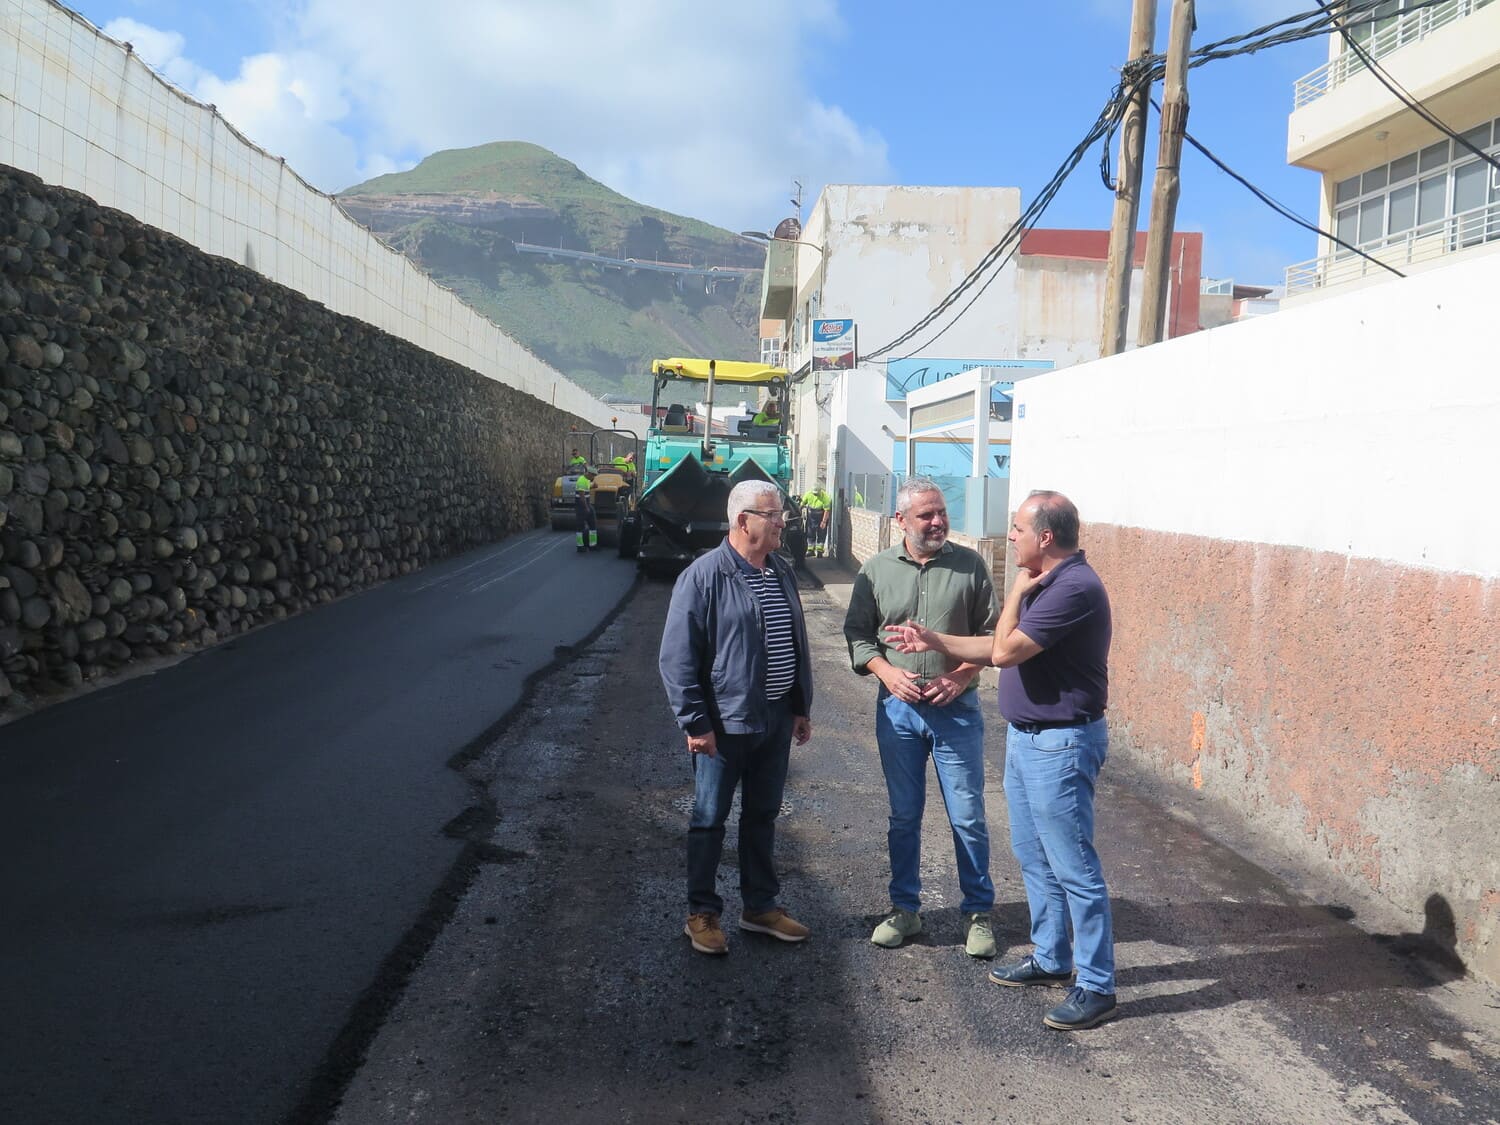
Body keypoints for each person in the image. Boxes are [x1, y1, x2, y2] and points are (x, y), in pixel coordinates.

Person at [885, 490, 1116, 1030]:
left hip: (1061, 743)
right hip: (1028, 738)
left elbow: (1004, 650)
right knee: (1033, 856)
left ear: (1046, 537)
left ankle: (1097, 983)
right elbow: (999, 641)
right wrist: (939, 637)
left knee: (1074, 865)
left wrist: (1007, 592)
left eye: (1016, 529)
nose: (1009, 536)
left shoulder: (1074, 587)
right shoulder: (1047, 582)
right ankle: (1053, 956)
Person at [842, 476, 1000, 959]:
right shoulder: (875, 571)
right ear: (901, 520)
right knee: (904, 816)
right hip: (899, 712)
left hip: (957, 712)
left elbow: (993, 637)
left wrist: (961, 675)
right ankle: (905, 909)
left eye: (941, 513)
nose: (937, 522)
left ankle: (977, 913)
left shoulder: (971, 567)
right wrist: (887, 673)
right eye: (925, 515)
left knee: (968, 816)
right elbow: (858, 635)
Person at [659, 481, 815, 956]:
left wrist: (799, 706)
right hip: (723, 725)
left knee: (763, 815)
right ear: (743, 521)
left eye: (781, 514)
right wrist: (695, 723)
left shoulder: (781, 571)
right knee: (709, 819)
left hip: (773, 720)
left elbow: (796, 640)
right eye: (773, 515)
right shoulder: (704, 576)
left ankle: (760, 907)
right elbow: (677, 658)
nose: (781, 522)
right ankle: (702, 913)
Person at [800, 484, 831, 558]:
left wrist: (823, 522)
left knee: (821, 533)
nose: (815, 494)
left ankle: (819, 551)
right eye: (814, 493)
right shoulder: (808, 494)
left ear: (820, 491)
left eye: (817, 493)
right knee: (810, 533)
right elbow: (802, 504)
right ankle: (811, 550)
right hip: (811, 518)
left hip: (821, 517)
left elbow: (827, 511)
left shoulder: (825, 497)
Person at [573, 469, 598, 552]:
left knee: (593, 524)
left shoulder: (587, 480)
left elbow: (588, 487)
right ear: (589, 474)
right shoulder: (581, 481)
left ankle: (593, 545)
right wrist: (587, 508)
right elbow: (581, 496)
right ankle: (580, 547)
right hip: (581, 506)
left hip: (587, 504)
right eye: (593, 475)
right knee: (580, 526)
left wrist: (593, 485)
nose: (594, 477)